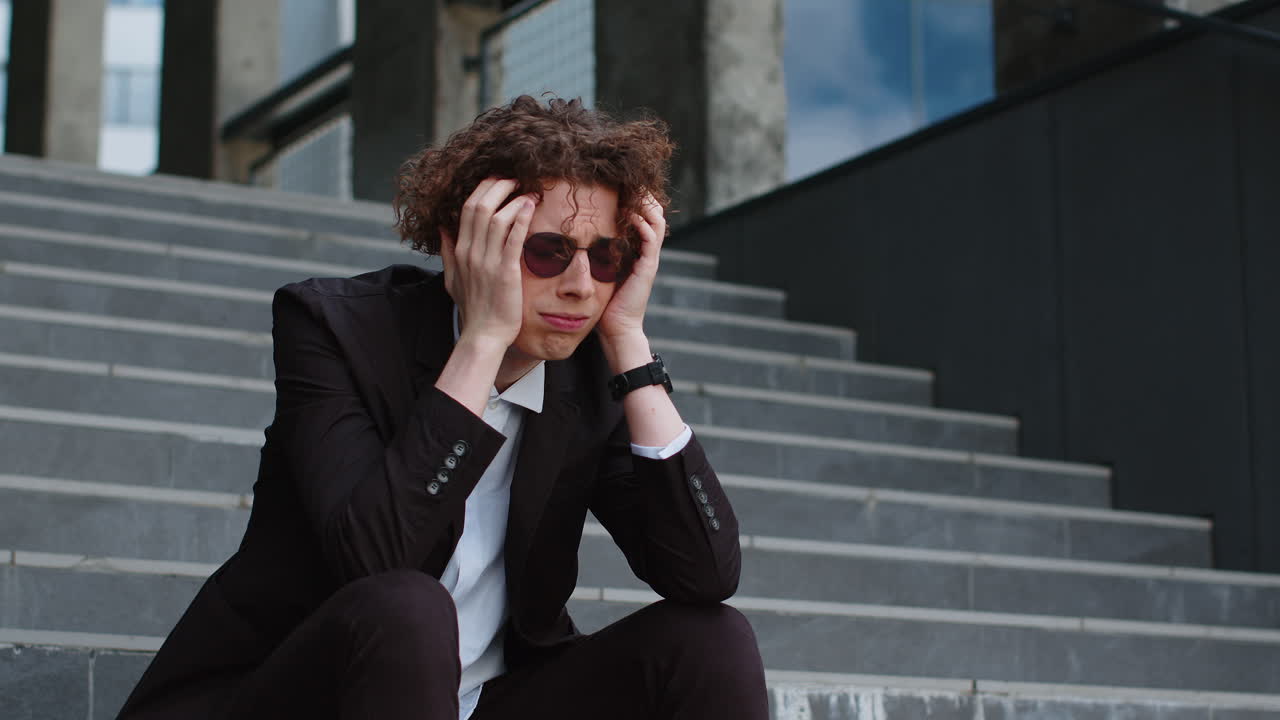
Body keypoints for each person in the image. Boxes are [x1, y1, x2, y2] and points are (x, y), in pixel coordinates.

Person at [117, 95, 767, 720]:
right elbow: (376, 565)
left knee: (712, 641)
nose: (580, 285)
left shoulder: (593, 372)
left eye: (606, 257)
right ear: (464, 243)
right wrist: (483, 339)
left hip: (481, 697)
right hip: (295, 694)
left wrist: (628, 342)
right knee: (410, 605)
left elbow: (705, 574)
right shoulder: (339, 331)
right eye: (547, 251)